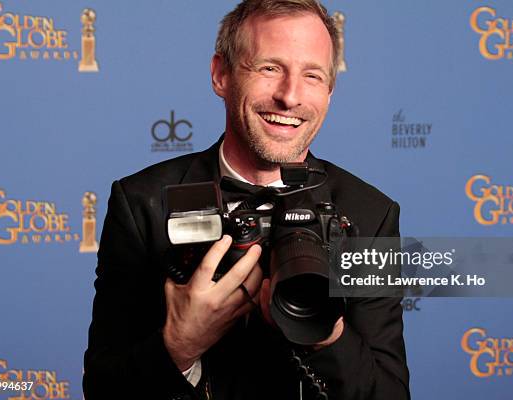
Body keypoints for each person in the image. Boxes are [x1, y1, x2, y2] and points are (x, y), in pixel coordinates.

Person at [83, 0, 410, 399]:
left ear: (329, 90)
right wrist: (179, 345)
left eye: (312, 75)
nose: (290, 96)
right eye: (270, 68)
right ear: (221, 75)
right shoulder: (141, 204)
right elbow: (103, 389)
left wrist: (327, 338)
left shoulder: (369, 214)